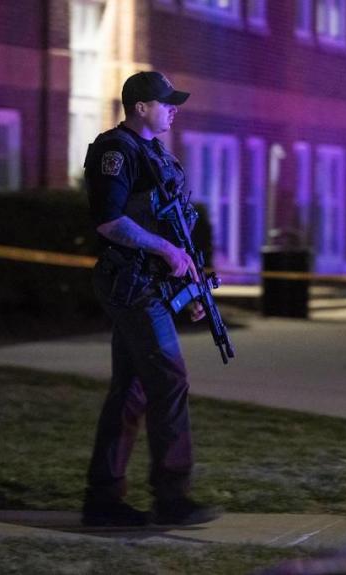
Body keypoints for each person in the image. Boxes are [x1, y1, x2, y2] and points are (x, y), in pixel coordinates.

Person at [80, 70, 218, 527]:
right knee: (169, 380)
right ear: (141, 107)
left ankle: (103, 501)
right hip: (130, 283)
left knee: (132, 389)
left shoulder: (155, 152)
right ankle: (172, 497)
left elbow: (170, 226)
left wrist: (189, 288)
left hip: (150, 284)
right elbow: (108, 222)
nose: (173, 109)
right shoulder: (115, 151)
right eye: (165, 103)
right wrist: (167, 252)